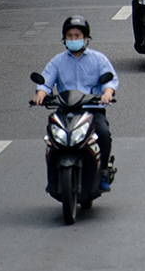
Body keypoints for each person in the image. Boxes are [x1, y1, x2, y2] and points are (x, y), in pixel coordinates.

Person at [31, 16, 117, 190]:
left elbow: (110, 81)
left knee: (104, 135)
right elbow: (45, 82)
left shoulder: (98, 59)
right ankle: (54, 177)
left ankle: (102, 173)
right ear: (64, 38)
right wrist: (40, 94)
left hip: (91, 110)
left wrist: (107, 94)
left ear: (85, 37)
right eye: (70, 36)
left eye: (77, 35)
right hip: (65, 111)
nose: (73, 39)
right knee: (52, 140)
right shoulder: (58, 61)